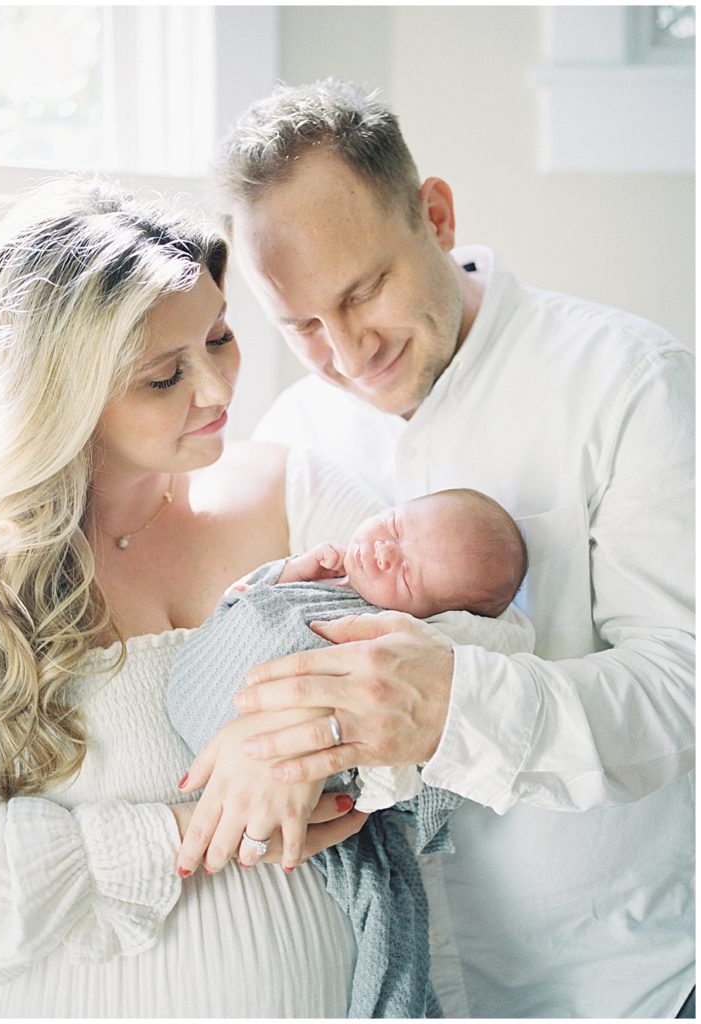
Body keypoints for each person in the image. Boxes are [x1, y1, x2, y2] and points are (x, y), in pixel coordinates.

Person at [210, 79, 696, 1019]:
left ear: (434, 216)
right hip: (385, 985)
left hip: (625, 987)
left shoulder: (627, 381)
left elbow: (684, 690)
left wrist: (455, 708)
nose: (347, 354)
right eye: (302, 325)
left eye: (363, 292)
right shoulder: (295, 434)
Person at [0, 174, 404, 1018]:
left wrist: (304, 740)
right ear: (59, 392)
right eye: (163, 377)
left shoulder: (297, 493)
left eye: (219, 338)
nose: (219, 391)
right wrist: (199, 829)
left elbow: (477, 660)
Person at [166, 488, 531, 1016]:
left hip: (310, 778)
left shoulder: (398, 644)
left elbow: (403, 745)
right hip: (214, 715)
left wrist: (362, 787)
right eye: (397, 525)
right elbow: (236, 604)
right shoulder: (319, 568)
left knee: (385, 921)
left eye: (407, 575)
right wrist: (287, 574)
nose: (386, 551)